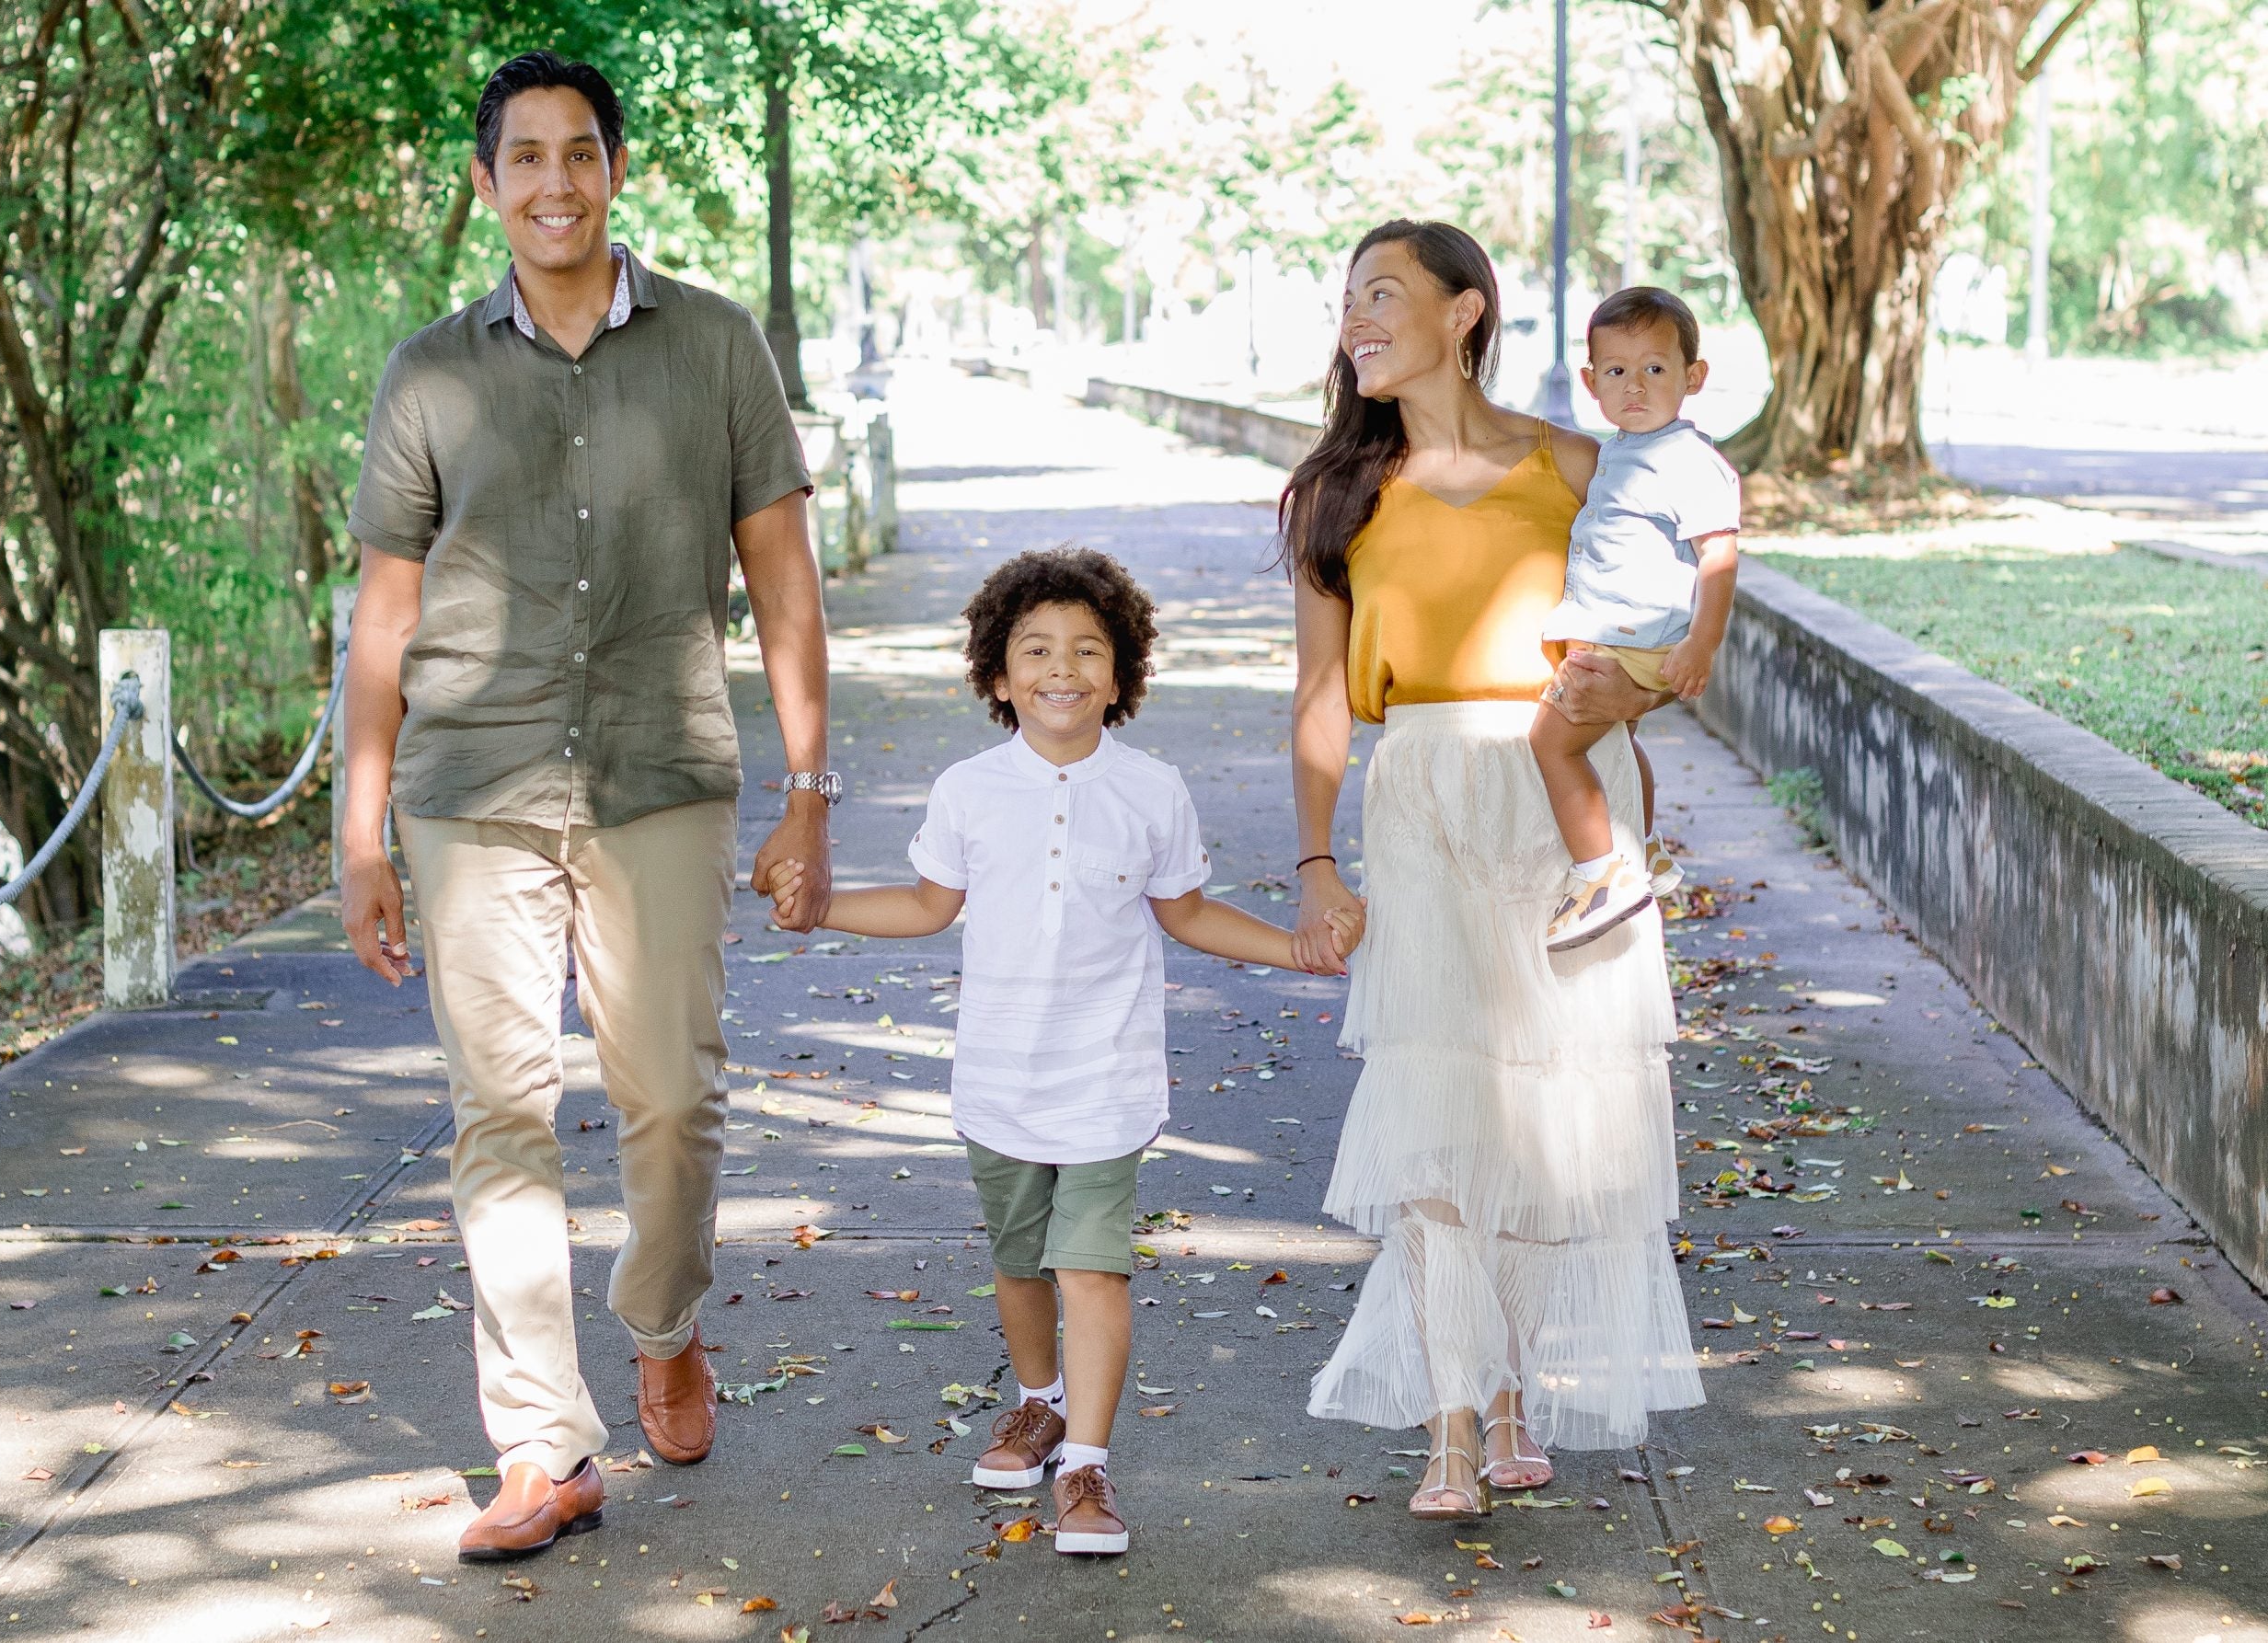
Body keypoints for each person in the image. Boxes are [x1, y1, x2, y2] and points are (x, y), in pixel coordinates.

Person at [338, 51, 838, 1563]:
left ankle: (664, 1321)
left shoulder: (716, 348)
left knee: (673, 1097)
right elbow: (381, 614)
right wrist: (359, 825)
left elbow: (785, 579)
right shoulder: (428, 372)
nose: (554, 181)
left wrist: (812, 788)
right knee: (501, 1110)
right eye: (525, 159)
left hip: (659, 770)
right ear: (485, 187)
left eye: (580, 153)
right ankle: (544, 1443)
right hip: (470, 785)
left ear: (618, 169)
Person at [766, 548, 1356, 1556]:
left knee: (1092, 1269)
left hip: (1105, 1076)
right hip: (998, 1076)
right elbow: (924, 906)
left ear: (1121, 676)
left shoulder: (1153, 789)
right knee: (1018, 1264)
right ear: (997, 677)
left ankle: (1086, 1463)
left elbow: (1188, 911)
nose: (1061, 667)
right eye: (1034, 648)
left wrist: (1292, 948)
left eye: (1089, 649)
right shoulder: (966, 790)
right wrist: (821, 908)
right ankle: (1038, 1400)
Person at [1281, 220, 1703, 1519]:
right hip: (1419, 798)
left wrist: (1628, 702)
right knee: (1435, 1113)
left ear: (1466, 313)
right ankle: (1454, 1422)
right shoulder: (1336, 494)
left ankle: (1511, 1387)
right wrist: (1311, 859)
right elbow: (1315, 695)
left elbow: (1669, 620)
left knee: (1546, 1108)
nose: (1358, 318)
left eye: (1385, 294)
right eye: (1349, 298)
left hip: (1556, 794)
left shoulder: (1577, 464)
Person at [1531, 287, 1741, 950]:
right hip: (1622, 633)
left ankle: (1601, 873)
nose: (1635, 386)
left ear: (1693, 377)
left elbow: (1719, 556)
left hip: (1637, 638)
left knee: (1551, 743)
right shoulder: (1621, 450)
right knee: (1617, 741)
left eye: (1655, 368)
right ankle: (1646, 848)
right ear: (1590, 381)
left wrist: (1702, 644)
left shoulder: (1689, 460)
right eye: (1616, 372)